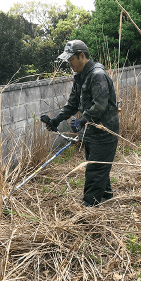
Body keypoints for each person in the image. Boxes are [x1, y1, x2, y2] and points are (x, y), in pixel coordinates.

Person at [41, 40, 119, 207]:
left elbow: (100, 105)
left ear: (81, 56)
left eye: (71, 60)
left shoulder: (97, 75)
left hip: (105, 131)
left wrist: (83, 120)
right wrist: (56, 120)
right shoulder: (80, 77)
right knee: (97, 166)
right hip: (91, 131)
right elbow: (72, 104)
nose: (69, 64)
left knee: (95, 170)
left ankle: (89, 206)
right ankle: (105, 197)